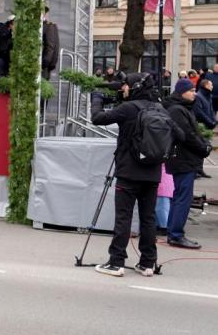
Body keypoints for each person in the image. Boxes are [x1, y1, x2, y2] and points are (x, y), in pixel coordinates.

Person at [91, 73, 182, 276]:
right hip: (152, 173)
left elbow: (97, 118)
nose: (123, 88)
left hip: (128, 172)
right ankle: (148, 263)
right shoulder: (160, 109)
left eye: (125, 86)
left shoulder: (128, 109)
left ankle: (116, 262)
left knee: (123, 217)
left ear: (134, 87)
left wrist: (96, 98)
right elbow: (180, 135)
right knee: (148, 219)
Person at [163, 79, 212, 249]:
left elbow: (194, 132)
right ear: (182, 92)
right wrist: (203, 148)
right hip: (183, 160)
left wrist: (203, 143)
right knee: (183, 198)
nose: (194, 93)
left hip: (184, 159)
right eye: (191, 90)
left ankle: (173, 232)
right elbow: (188, 136)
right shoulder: (177, 110)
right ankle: (176, 234)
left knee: (180, 197)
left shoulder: (182, 108)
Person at [41, 7, 59, 79]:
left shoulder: (48, 26)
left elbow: (50, 47)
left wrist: (43, 64)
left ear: (44, 13)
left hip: (42, 66)